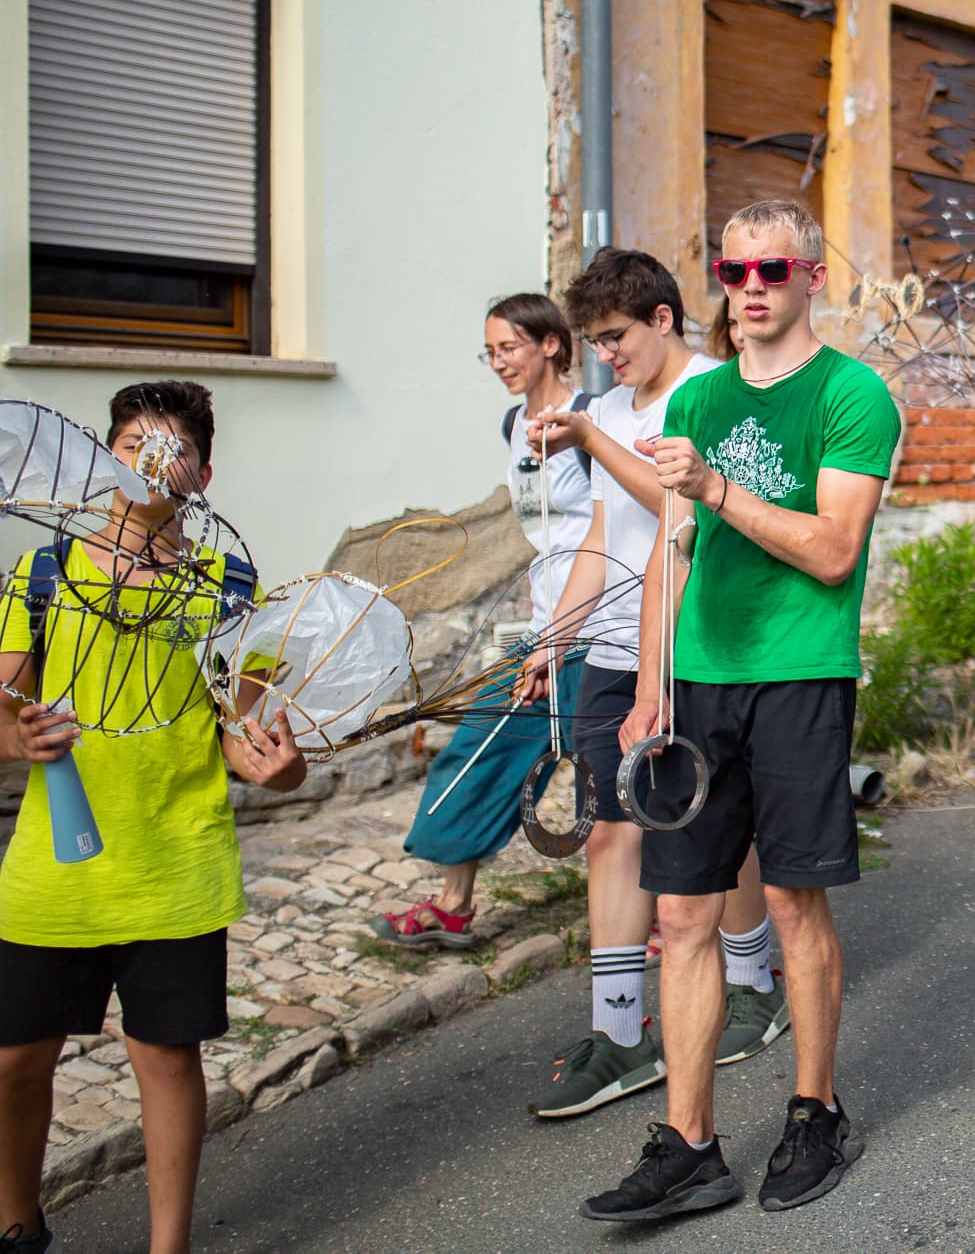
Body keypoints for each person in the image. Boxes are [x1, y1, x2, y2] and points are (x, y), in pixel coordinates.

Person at [582, 198, 902, 1222]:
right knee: (680, 913)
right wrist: (648, 686)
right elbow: (668, 552)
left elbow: (831, 547)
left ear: (811, 275)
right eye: (734, 270)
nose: (752, 288)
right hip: (699, 681)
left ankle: (815, 1109)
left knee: (797, 902)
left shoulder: (853, 394)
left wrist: (716, 484)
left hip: (800, 671)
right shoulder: (697, 399)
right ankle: (691, 1143)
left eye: (773, 269)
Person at [0, 382, 306, 1254]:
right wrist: (21, 736)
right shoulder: (44, 573)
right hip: (54, 866)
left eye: (169, 449)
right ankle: (17, 1225)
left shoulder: (230, 587)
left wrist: (275, 768)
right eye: (130, 444)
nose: (147, 461)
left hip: (178, 861)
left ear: (202, 474)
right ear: (105, 459)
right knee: (15, 1059)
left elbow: (252, 735)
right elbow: (1, 712)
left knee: (166, 1061)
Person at [519, 249, 788, 1119]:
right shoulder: (605, 406)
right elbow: (604, 535)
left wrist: (595, 435)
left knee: (709, 828)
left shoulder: (711, 392)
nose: (606, 357)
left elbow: (688, 505)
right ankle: (621, 1029)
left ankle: (752, 979)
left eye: (616, 338)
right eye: (594, 342)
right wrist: (551, 637)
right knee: (608, 834)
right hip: (609, 649)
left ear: (663, 320)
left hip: (693, 639)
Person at [373, 294, 592, 952]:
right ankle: (453, 904)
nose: (498, 362)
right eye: (490, 351)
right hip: (546, 623)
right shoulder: (512, 422)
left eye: (510, 347)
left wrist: (560, 637)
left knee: (612, 771)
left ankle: (669, 911)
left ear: (551, 343)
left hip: (600, 628)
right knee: (480, 745)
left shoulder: (589, 419)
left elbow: (612, 528)